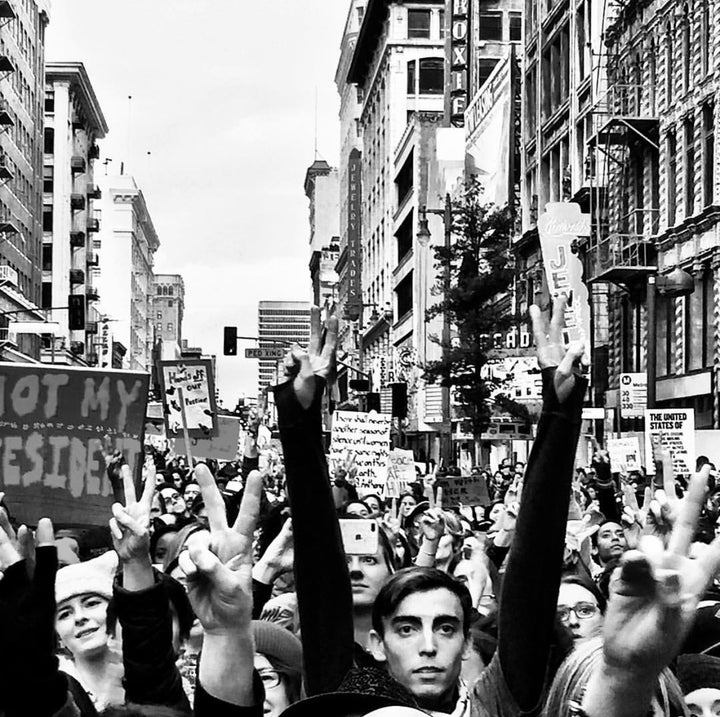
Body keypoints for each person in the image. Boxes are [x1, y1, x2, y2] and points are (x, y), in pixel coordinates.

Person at [275, 298, 589, 716]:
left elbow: (532, 583)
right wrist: (299, 420)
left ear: (467, 643)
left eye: (446, 627)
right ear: (377, 644)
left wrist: (559, 410)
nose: (428, 646)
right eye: (406, 628)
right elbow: (319, 579)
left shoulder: (488, 708)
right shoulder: (351, 704)